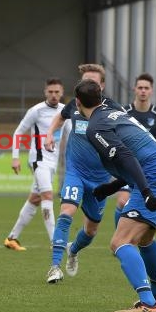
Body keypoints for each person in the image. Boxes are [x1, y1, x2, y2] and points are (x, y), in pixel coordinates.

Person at [75, 78, 156, 312]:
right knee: (145, 240)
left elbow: (126, 157)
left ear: (78, 103)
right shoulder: (114, 110)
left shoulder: (95, 127)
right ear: (101, 96)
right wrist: (111, 188)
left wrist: (145, 191)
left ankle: (148, 303)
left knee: (119, 242)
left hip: (154, 179)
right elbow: (135, 156)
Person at [43, 64, 123, 284]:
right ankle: (54, 267)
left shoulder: (114, 111)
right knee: (66, 212)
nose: (86, 86)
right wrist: (50, 134)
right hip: (75, 172)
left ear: (102, 86)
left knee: (91, 231)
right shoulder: (75, 103)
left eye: (93, 82)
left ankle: (74, 251)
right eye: (84, 81)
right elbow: (60, 117)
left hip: (100, 180)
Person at [4, 78, 70, 251]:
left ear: (62, 93)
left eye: (57, 92)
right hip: (38, 160)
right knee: (47, 196)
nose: (54, 95)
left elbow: (70, 135)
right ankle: (55, 241)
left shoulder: (65, 111)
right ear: (45, 92)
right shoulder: (36, 111)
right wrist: (15, 157)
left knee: (34, 199)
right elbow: (18, 132)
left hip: (52, 162)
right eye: (51, 92)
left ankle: (12, 238)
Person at [114, 73, 156, 226]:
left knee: (148, 208)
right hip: (128, 165)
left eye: (146, 88)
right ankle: (119, 241)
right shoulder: (124, 111)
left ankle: (132, 239)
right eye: (140, 87)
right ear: (134, 89)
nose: (143, 91)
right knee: (122, 202)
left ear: (151, 90)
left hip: (149, 166)